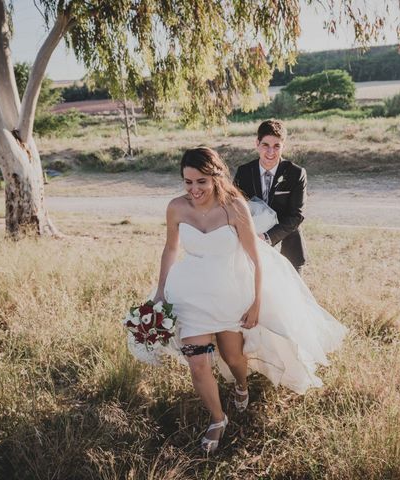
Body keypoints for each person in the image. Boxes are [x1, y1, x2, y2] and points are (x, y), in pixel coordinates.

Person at [148, 147, 346, 454]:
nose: (194, 190)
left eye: (201, 181)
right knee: (197, 362)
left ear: (215, 177)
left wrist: (255, 303)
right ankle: (217, 419)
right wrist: (161, 291)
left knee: (234, 358)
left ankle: (241, 385)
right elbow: (170, 250)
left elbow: (256, 257)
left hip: (230, 292)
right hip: (190, 294)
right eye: (187, 182)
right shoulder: (176, 207)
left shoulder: (234, 207)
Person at [234, 119, 307, 273]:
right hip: (251, 249)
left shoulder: (296, 174)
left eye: (276, 146)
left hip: (288, 250)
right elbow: (234, 209)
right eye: (265, 145)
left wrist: (267, 237)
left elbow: (296, 216)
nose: (270, 152)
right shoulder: (244, 172)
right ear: (257, 143)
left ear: (283, 146)